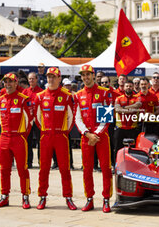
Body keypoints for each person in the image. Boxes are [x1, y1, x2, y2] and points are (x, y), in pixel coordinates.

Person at [34, 67, 77, 210]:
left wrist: (63, 132)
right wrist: (46, 131)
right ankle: (42, 197)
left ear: (59, 79)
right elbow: (37, 117)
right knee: (44, 168)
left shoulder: (66, 96)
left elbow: (71, 117)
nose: (51, 79)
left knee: (65, 169)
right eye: (48, 77)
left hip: (61, 136)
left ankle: (68, 197)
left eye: (54, 77)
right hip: (46, 136)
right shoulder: (40, 96)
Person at [74, 64, 113, 213]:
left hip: (102, 137)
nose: (85, 77)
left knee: (105, 168)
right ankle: (89, 199)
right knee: (87, 170)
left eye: (88, 74)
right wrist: (87, 134)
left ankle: (106, 199)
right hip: (86, 138)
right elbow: (77, 118)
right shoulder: (78, 95)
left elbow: (107, 117)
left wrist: (95, 134)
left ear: (93, 75)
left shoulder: (104, 92)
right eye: (83, 75)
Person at [0, 73, 32, 209]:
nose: (8, 84)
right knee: (4, 169)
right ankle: (4, 196)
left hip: (19, 138)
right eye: (6, 82)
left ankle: (25, 196)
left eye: (11, 82)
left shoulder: (23, 99)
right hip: (4, 138)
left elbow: (29, 120)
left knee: (22, 169)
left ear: (16, 83)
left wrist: (21, 135)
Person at [114, 80, 142, 158]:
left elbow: (137, 106)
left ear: (133, 87)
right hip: (120, 128)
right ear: (124, 87)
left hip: (132, 128)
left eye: (130, 86)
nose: (128, 88)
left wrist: (123, 108)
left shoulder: (137, 98)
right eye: (127, 86)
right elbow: (117, 109)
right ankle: (116, 166)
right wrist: (130, 110)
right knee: (117, 149)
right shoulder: (119, 98)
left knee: (133, 149)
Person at [22, 72, 43, 168]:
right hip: (28, 120)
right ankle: (28, 162)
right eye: (29, 79)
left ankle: (41, 162)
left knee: (40, 142)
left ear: (37, 79)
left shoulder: (41, 91)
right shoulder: (25, 92)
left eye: (33, 79)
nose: (31, 80)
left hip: (38, 120)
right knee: (28, 141)